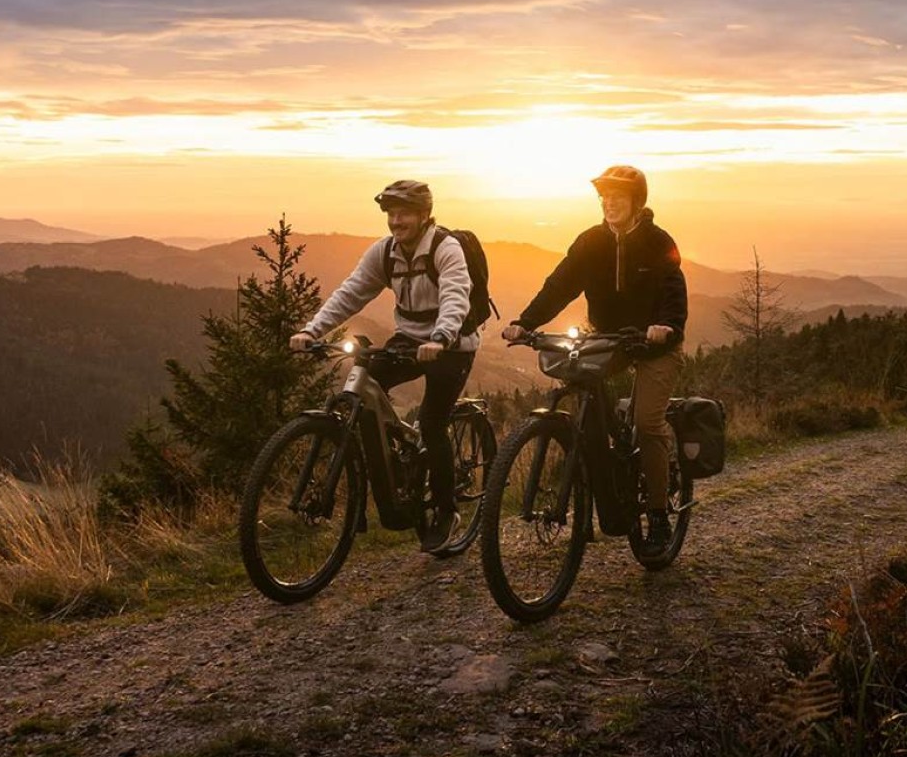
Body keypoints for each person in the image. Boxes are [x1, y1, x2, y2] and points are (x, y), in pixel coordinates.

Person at [502, 165, 688, 556]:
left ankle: (657, 515)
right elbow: (559, 285)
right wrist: (526, 322)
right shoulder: (590, 242)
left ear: (637, 201)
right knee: (582, 391)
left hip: (656, 344)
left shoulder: (658, 241)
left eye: (618, 196)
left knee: (647, 423)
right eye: (604, 196)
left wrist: (666, 326)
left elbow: (674, 287)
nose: (609, 202)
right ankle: (602, 482)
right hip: (608, 341)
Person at [289, 180, 478, 553]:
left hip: (452, 342)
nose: (396, 221)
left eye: (404, 213)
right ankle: (401, 464)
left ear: (424, 215)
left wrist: (440, 338)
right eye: (390, 214)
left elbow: (457, 295)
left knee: (434, 420)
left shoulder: (446, 248)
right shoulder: (385, 252)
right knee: (366, 385)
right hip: (409, 338)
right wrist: (312, 329)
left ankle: (445, 511)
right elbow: (352, 292)